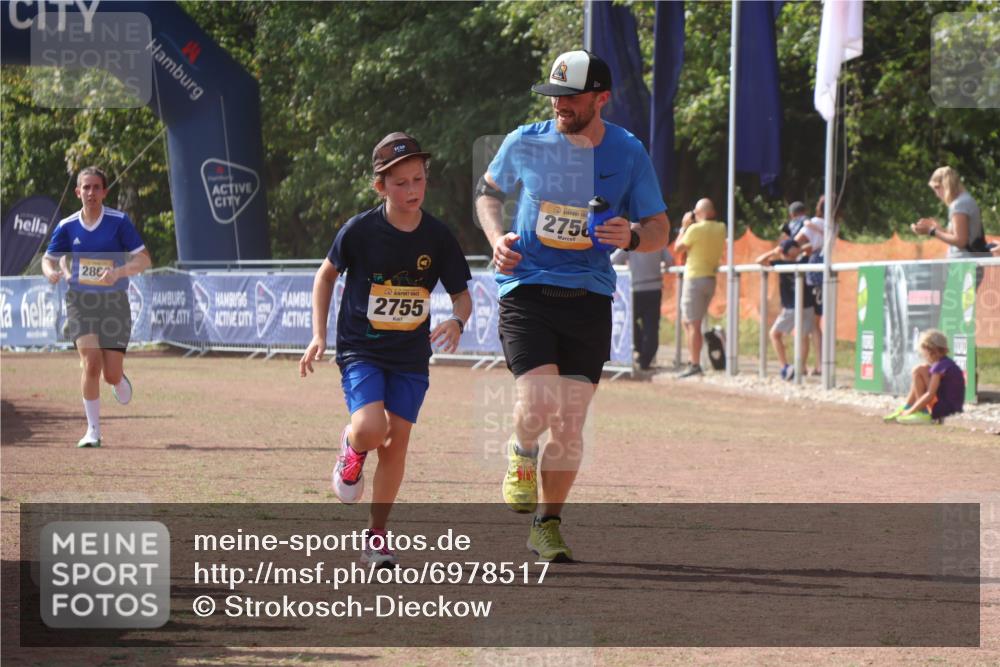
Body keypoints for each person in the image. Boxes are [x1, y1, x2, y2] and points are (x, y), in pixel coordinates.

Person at [475, 50, 669, 562]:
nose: (560, 104)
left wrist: (630, 233)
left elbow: (658, 230)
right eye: (554, 96)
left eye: (572, 96)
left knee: (570, 421)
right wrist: (496, 238)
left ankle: (547, 523)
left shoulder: (628, 152)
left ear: (601, 98)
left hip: (589, 295)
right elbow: (486, 193)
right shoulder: (525, 140)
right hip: (528, 287)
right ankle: (520, 451)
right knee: (539, 403)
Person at [299, 132, 472, 567]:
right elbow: (325, 277)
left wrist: (457, 320)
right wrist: (318, 334)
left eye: (418, 180)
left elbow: (461, 295)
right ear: (380, 186)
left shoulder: (437, 237)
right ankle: (352, 448)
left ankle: (376, 536)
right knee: (372, 429)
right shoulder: (359, 231)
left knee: (397, 445)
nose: (412, 190)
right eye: (400, 183)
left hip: (411, 357)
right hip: (363, 349)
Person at [41, 166, 152, 448]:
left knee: (109, 373)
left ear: (104, 192)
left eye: (96, 187)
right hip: (81, 301)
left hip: (114, 302)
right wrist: (50, 272)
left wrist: (119, 272)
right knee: (90, 362)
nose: (91, 193)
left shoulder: (119, 221)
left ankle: (117, 378)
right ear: (78, 192)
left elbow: (144, 260)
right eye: (85, 188)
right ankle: (93, 431)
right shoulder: (67, 225)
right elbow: (48, 258)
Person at [673, 198, 726, 378]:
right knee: (689, 322)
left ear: (701, 213)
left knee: (692, 323)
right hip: (710, 278)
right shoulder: (721, 228)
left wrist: (684, 226)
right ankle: (692, 359)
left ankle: (694, 363)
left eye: (695, 212)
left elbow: (678, 248)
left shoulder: (694, 230)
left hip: (694, 278)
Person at [756, 236, 814, 381]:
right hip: (806, 306)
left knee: (775, 334)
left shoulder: (794, 261)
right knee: (803, 336)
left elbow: (760, 261)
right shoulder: (784, 263)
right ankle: (799, 367)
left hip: (793, 307)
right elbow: (759, 261)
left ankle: (786, 367)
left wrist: (775, 252)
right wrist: (779, 252)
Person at [610, 244, 672, 373]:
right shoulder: (657, 240)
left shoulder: (631, 241)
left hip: (635, 289)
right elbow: (670, 261)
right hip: (654, 289)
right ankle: (645, 359)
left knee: (630, 323)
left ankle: (640, 350)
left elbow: (614, 259)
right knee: (651, 326)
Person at [883, 329, 965, 425]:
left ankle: (921, 412)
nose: (923, 355)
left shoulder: (939, 366)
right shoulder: (945, 362)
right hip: (950, 404)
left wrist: (909, 412)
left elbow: (930, 393)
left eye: (924, 351)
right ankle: (908, 406)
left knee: (919, 370)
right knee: (922, 369)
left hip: (943, 408)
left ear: (931, 350)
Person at [911, 167, 986, 258]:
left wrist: (931, 231)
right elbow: (960, 236)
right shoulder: (965, 200)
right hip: (966, 261)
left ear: (946, 184)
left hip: (964, 264)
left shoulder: (959, 204)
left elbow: (961, 241)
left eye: (937, 187)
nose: (936, 193)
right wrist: (940, 230)